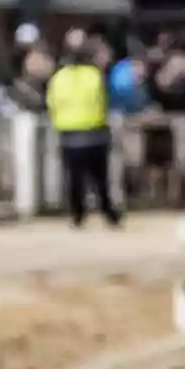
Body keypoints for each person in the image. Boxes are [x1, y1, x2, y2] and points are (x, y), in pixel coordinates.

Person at [46, 36, 118, 228]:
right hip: (94, 133)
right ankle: (108, 213)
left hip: (69, 135)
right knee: (100, 179)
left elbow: (52, 103)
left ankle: (77, 215)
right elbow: (103, 101)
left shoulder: (58, 78)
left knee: (74, 179)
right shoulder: (94, 75)